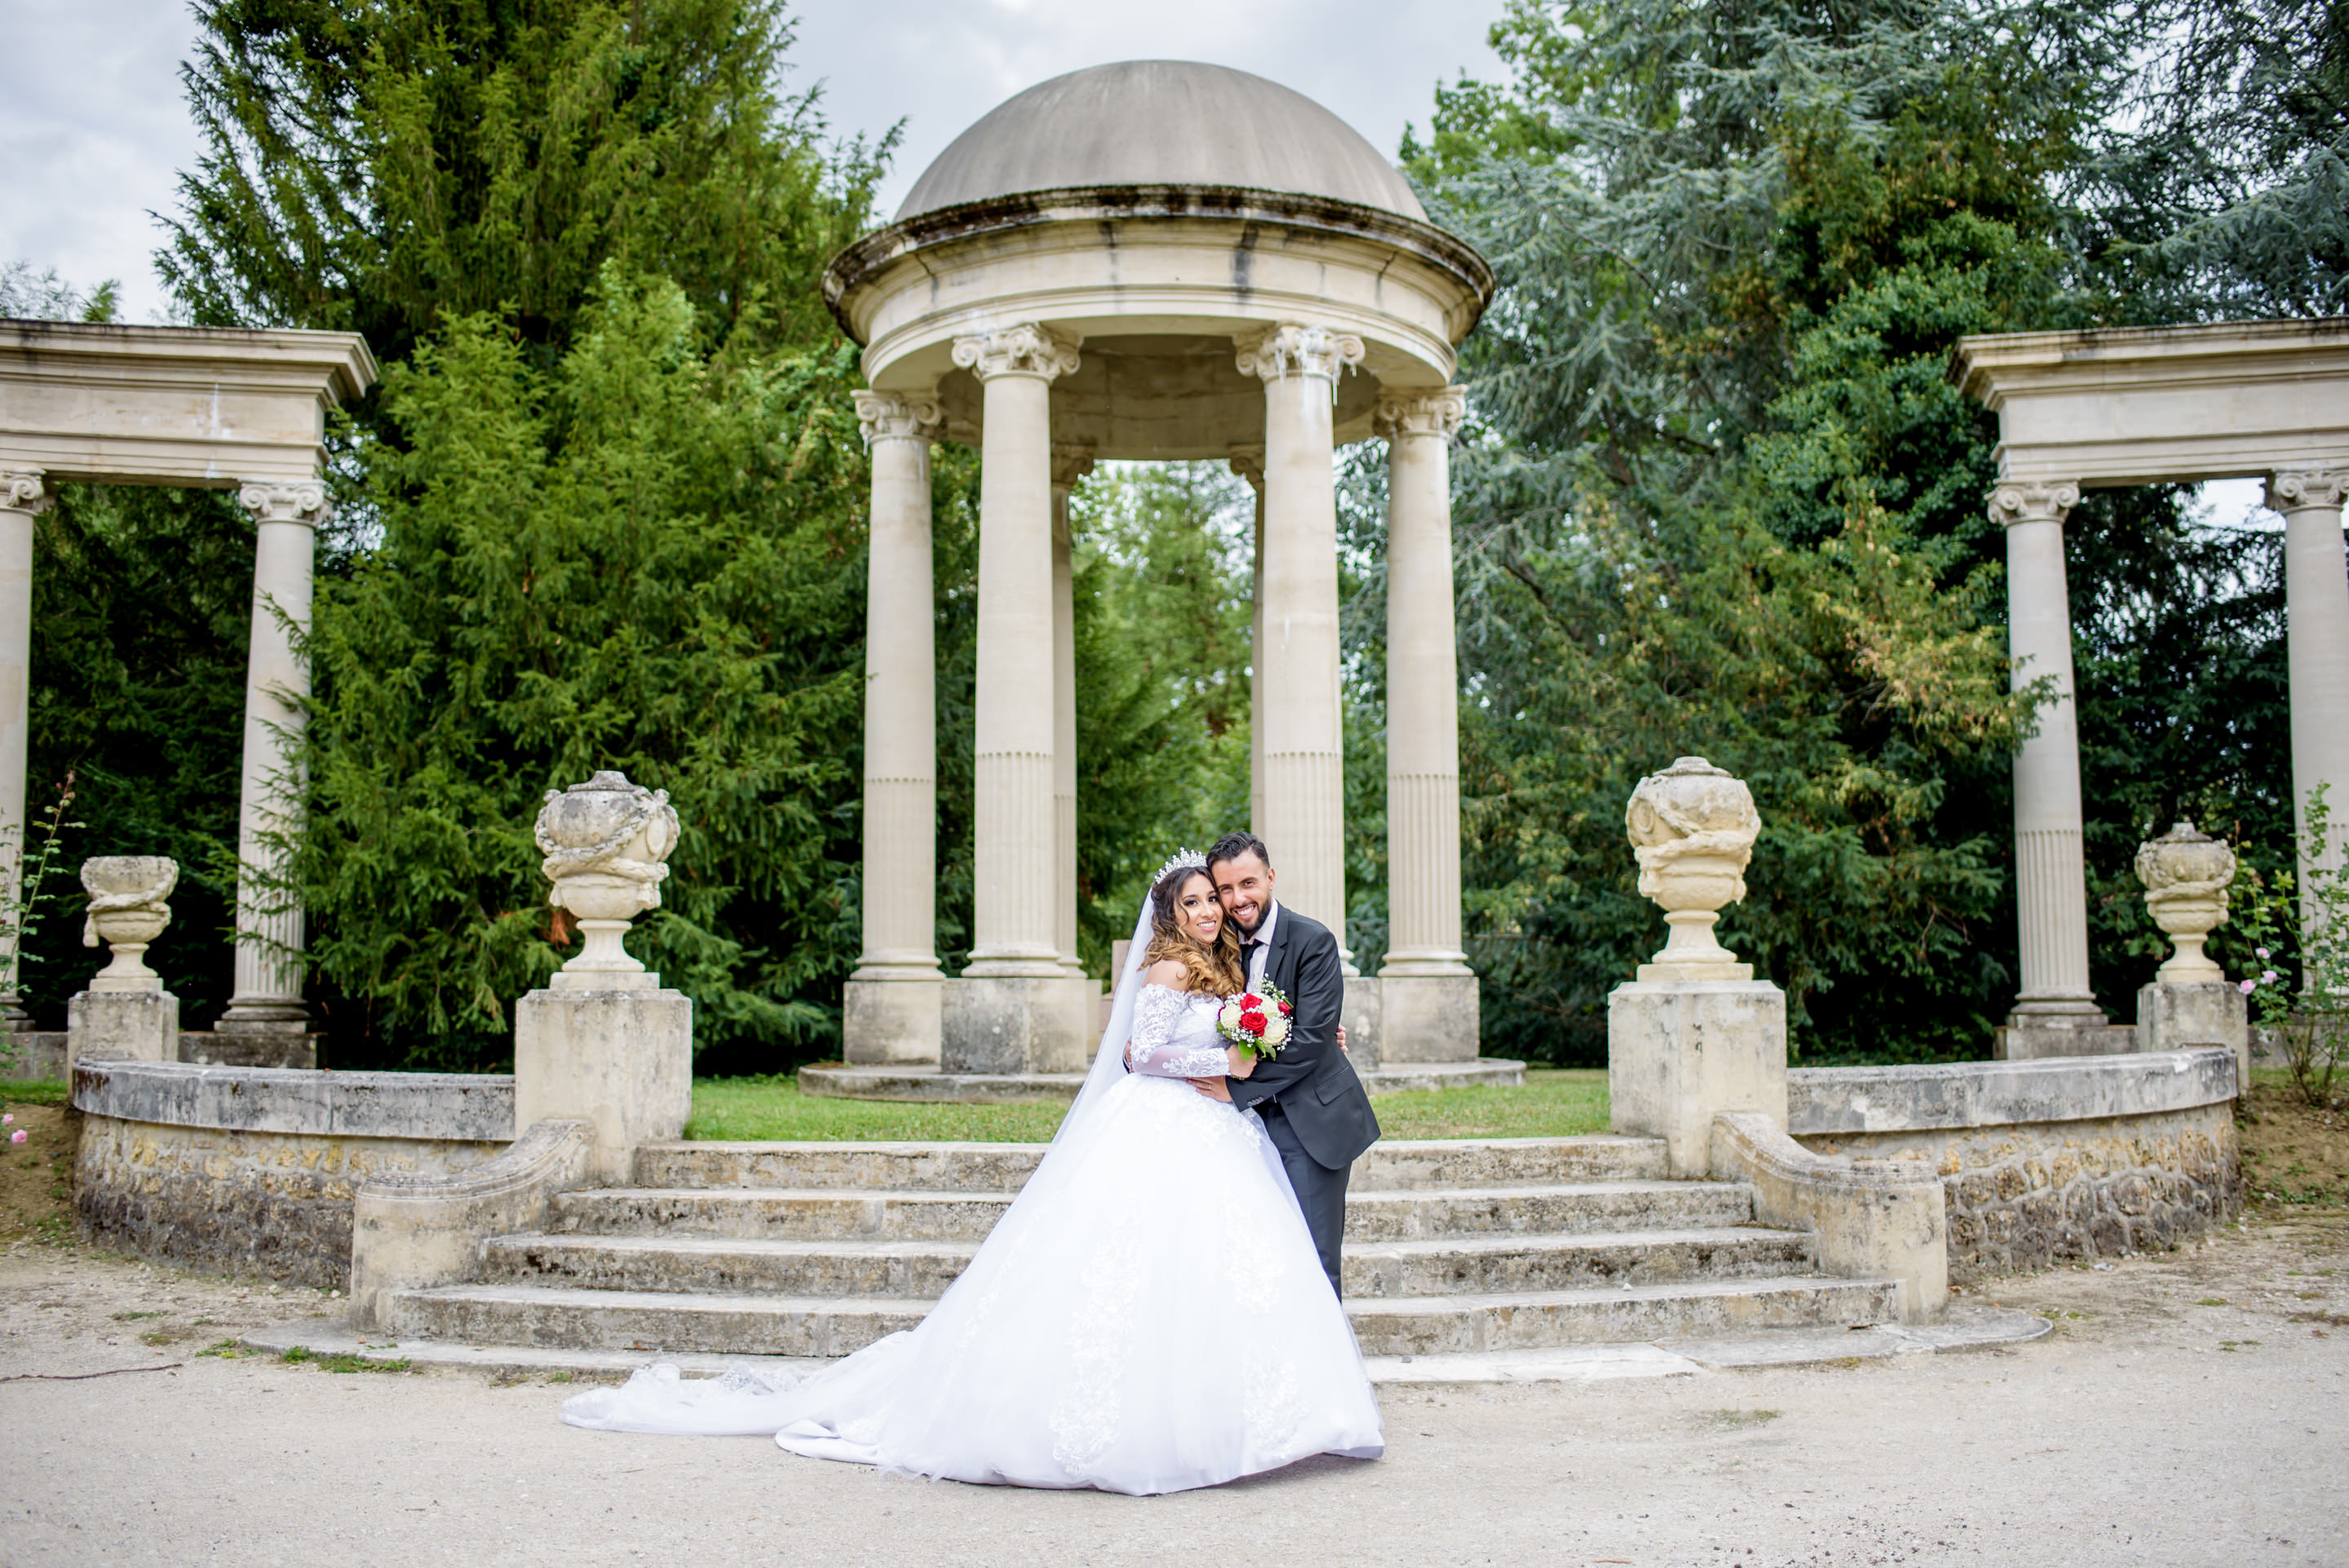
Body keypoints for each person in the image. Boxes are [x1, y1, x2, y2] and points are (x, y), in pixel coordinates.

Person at [560, 850, 1383, 1495]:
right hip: (1168, 1120)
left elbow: (1285, 1024)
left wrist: (1258, 1046)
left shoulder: (1233, 964)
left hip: (1215, 1127)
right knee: (1129, 1268)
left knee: (1218, 1270)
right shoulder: (1166, 971)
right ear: (1169, 916)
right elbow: (1139, 1052)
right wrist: (1224, 1057)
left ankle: (1240, 1409)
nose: (1212, 909)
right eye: (1196, 901)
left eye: (1217, 898)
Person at [1196, 831, 1382, 1299]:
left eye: (1248, 884)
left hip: (1308, 1123)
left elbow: (1315, 1039)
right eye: (1225, 891)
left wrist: (1234, 1087)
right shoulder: (1215, 948)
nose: (1238, 900)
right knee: (1255, 1257)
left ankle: (1327, 1371)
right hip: (1238, 1130)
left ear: (1271, 877)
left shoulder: (1313, 940)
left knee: (1313, 1262)